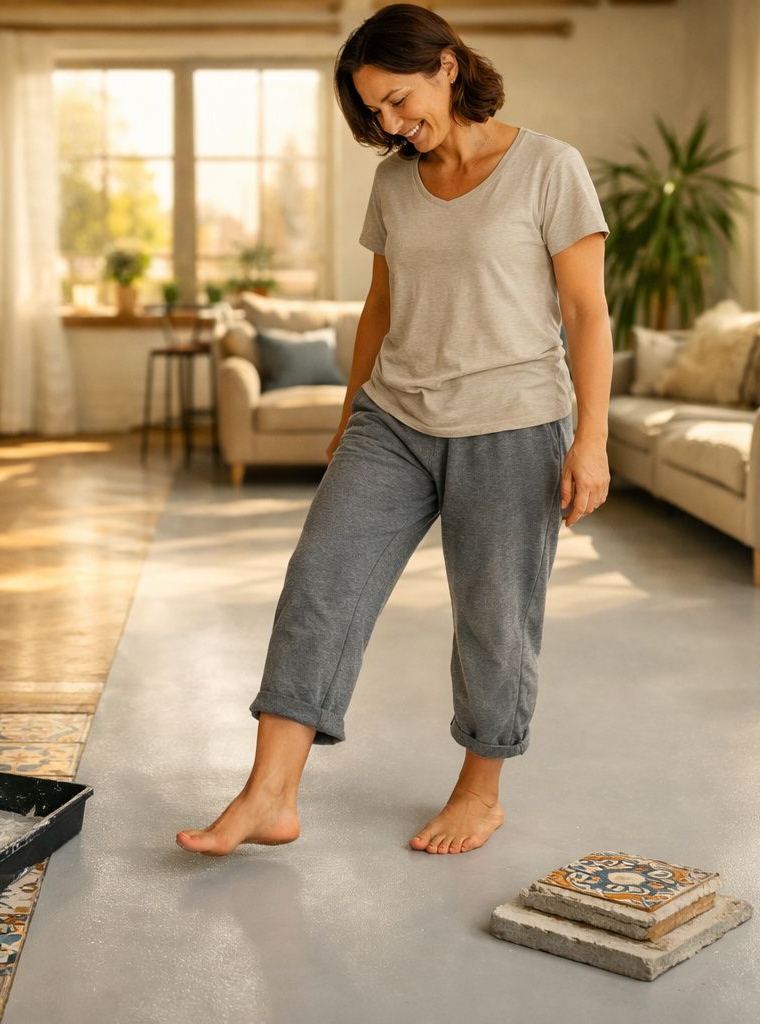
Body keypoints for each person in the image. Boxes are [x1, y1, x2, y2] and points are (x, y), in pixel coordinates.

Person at [177, 3, 612, 857]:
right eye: (374, 109)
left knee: (493, 616)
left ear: (447, 67)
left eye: (398, 99)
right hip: (396, 417)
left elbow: (587, 313)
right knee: (321, 580)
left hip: (513, 423)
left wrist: (589, 441)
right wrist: (350, 415)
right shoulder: (394, 183)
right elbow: (380, 306)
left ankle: (480, 792)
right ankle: (269, 796)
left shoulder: (548, 167)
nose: (389, 123)